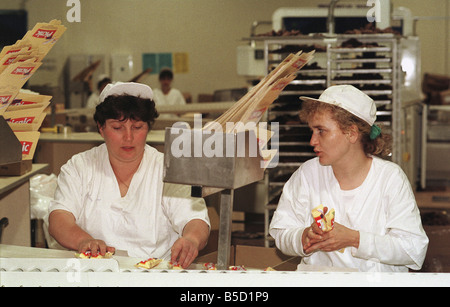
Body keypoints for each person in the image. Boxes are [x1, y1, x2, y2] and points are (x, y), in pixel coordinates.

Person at [48, 82, 210, 268]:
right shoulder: (80, 166)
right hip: (94, 271)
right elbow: (59, 218)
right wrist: (84, 241)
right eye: (117, 128)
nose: (128, 137)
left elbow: (195, 219)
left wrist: (191, 240)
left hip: (155, 275)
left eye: (137, 127)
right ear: (101, 128)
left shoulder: (168, 168)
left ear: (148, 128)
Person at [269, 85, 428, 272]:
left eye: (321, 131)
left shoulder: (390, 179)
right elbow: (281, 233)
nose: (312, 141)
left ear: (351, 133)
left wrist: (355, 239)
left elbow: (414, 249)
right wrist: (303, 237)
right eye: (312, 131)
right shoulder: (308, 174)